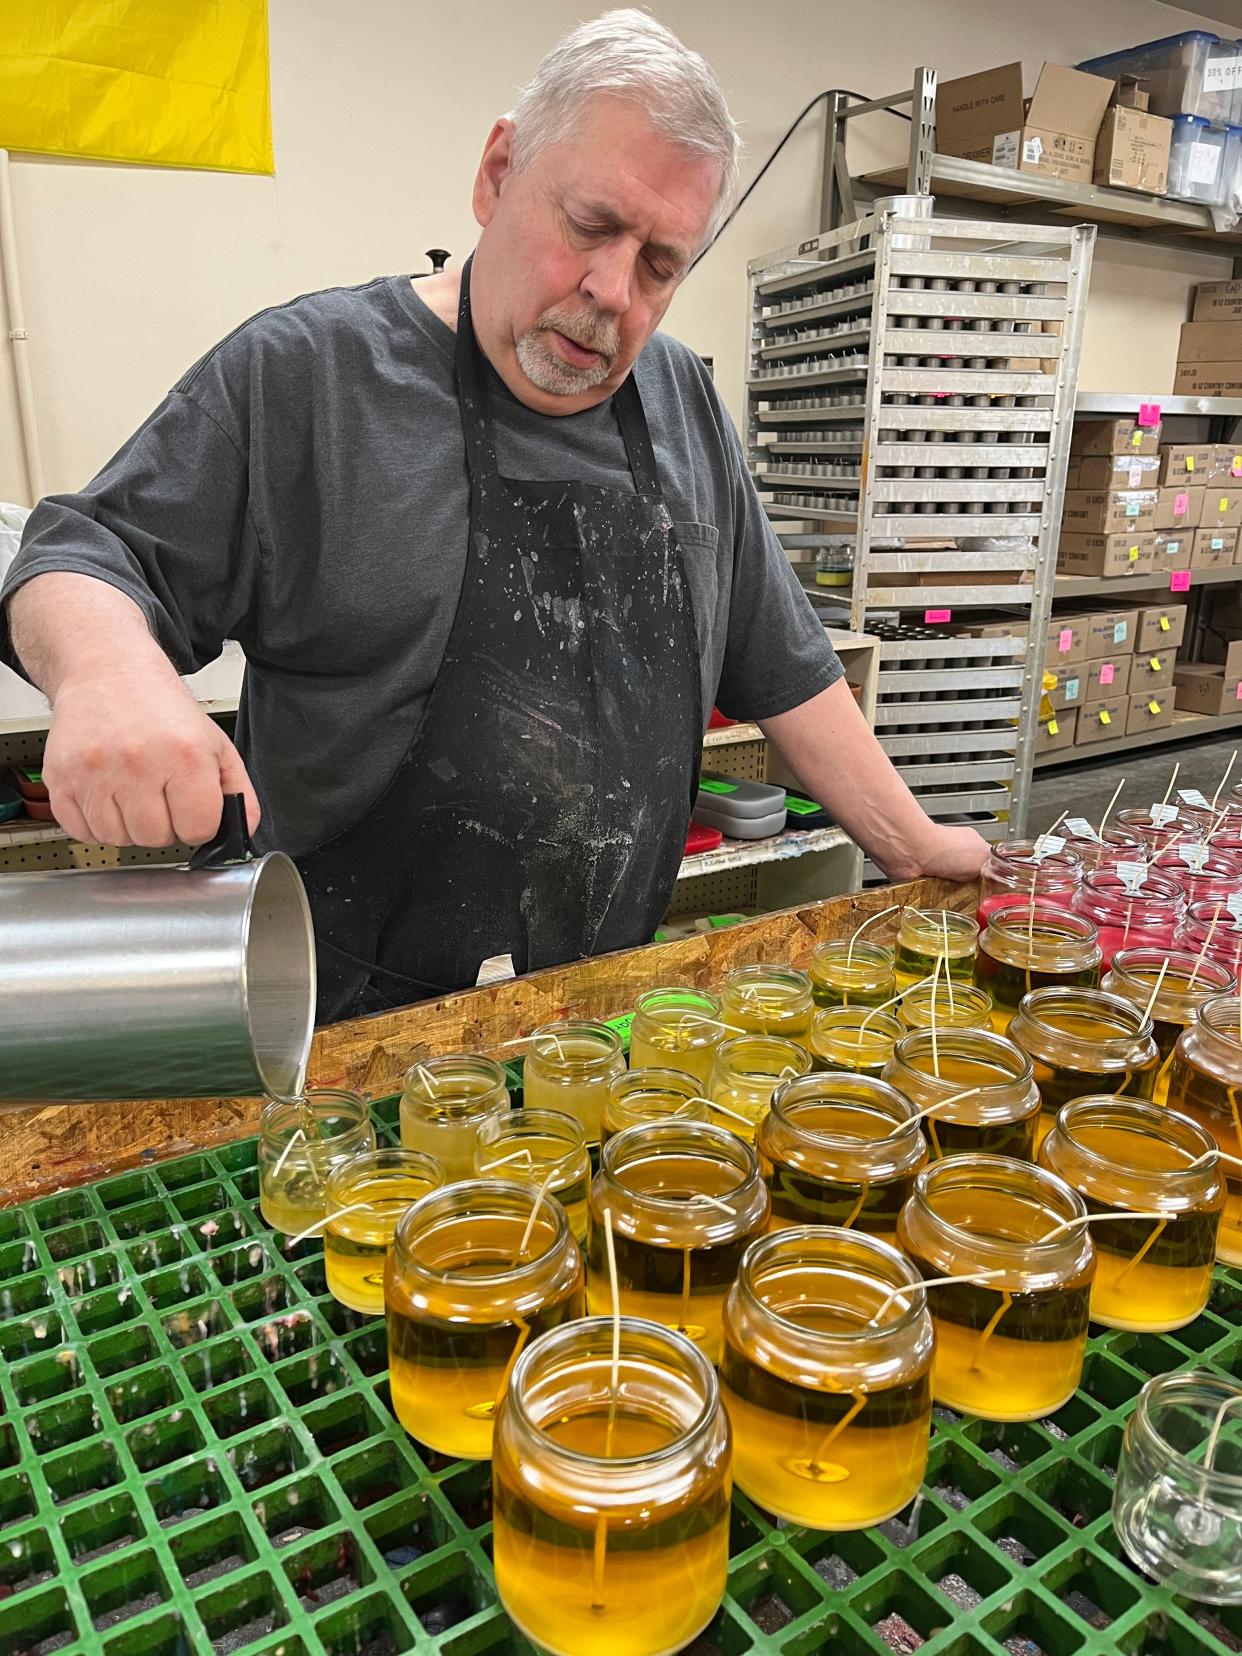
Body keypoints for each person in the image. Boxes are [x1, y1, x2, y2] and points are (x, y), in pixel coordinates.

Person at [1, 10, 987, 1023]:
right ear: (499, 171)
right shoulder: (310, 379)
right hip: (337, 1034)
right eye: (591, 226)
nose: (612, 292)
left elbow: (783, 665)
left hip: (587, 1023)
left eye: (659, 265)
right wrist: (109, 673)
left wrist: (915, 845)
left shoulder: (686, 402)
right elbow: (84, 552)